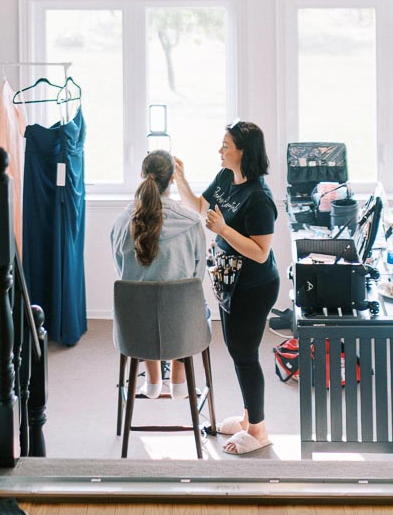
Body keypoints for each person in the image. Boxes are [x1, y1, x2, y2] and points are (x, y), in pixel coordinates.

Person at [175, 121, 278, 455]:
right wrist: (180, 178)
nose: (220, 151)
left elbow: (261, 253)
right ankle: (249, 419)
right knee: (237, 352)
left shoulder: (259, 198)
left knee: (245, 355)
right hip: (229, 280)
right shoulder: (224, 179)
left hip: (254, 286)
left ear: (243, 152)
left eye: (226, 146)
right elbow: (197, 205)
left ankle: (259, 431)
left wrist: (223, 229)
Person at [110, 149, 207, 398]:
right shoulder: (191, 222)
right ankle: (179, 382)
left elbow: (122, 272)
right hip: (182, 328)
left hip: (135, 331)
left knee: (139, 299)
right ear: (172, 179)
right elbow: (197, 276)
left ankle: (152, 381)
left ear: (142, 175)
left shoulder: (122, 222)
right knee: (190, 302)